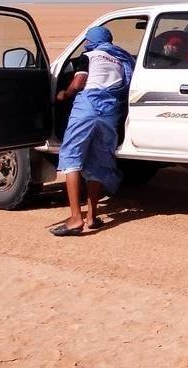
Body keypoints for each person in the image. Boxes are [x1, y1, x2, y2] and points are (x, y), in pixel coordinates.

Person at [50, 25, 135, 236]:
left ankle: (75, 218)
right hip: (110, 112)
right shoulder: (119, 58)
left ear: (92, 40)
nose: (86, 43)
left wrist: (64, 94)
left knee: (71, 158)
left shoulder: (89, 56)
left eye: (88, 40)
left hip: (87, 108)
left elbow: (79, 82)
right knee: (98, 162)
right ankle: (92, 216)